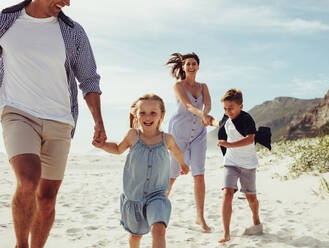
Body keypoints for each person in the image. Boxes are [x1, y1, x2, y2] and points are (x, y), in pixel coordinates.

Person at [0, 0, 106, 247]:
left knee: (46, 200)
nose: (68, 2)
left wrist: (98, 121)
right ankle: (21, 245)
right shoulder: (6, 22)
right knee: (28, 181)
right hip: (18, 113)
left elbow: (88, 78)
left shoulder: (73, 32)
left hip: (60, 120)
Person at [93, 94, 189, 248]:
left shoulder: (167, 139)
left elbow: (176, 152)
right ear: (136, 115)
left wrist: (183, 165)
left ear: (161, 115)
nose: (147, 117)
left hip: (157, 194)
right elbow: (118, 149)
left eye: (153, 112)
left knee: (158, 229)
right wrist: (103, 145)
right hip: (134, 196)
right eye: (142, 112)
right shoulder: (133, 135)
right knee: (135, 236)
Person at [165, 52, 213, 232]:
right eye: (188, 64)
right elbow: (188, 106)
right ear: (183, 67)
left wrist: (206, 112)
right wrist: (202, 114)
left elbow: (207, 104)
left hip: (198, 135)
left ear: (198, 66)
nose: (191, 66)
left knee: (199, 174)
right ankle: (159, 210)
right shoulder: (178, 86)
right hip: (179, 135)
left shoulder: (203, 86)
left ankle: (200, 218)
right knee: (172, 174)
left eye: (194, 63)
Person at [209, 88, 263, 243]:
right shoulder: (226, 117)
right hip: (231, 163)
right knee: (227, 193)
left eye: (230, 108)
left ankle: (256, 219)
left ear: (241, 106)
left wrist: (229, 144)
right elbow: (219, 123)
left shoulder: (247, 119)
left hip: (248, 164)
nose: (227, 111)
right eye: (225, 108)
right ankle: (226, 233)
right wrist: (209, 120)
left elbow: (250, 139)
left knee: (251, 198)